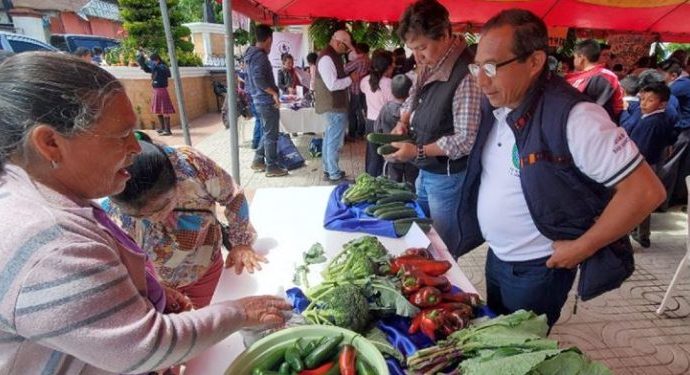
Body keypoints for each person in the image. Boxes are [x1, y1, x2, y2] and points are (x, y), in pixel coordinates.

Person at [0, 52, 291, 374]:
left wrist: (146, 292)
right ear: (50, 143)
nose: (136, 148)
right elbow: (145, 346)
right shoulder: (52, 247)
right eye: (121, 135)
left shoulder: (43, 199)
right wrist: (240, 311)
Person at [457, 9, 666, 327]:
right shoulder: (500, 103)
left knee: (519, 353)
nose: (481, 80)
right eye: (477, 66)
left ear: (535, 62)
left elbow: (646, 191)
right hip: (498, 256)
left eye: (491, 67)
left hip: (538, 268)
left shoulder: (575, 117)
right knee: (495, 335)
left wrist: (583, 247)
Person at [102, 140, 266, 309]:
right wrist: (153, 288)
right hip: (159, 284)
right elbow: (119, 266)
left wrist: (241, 243)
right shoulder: (107, 215)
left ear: (176, 182)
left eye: (162, 206)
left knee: (214, 315)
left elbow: (233, 196)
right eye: (140, 215)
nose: (155, 218)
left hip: (205, 267)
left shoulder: (191, 165)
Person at [385, 0, 481, 253]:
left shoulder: (467, 75)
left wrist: (416, 151)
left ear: (445, 34)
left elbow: (464, 140)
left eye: (422, 47)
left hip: (448, 178)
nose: (417, 56)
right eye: (412, 49)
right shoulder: (431, 62)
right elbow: (413, 96)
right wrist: (402, 120)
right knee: (421, 238)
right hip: (426, 172)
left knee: (442, 249)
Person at [624, 82, 676, 248]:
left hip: (642, 165)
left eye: (650, 100)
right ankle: (641, 234)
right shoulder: (659, 117)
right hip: (649, 164)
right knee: (643, 201)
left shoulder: (651, 122)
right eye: (643, 99)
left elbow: (642, 148)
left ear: (662, 103)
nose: (643, 103)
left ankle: (634, 233)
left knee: (635, 202)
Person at [314, 29, 359, 182]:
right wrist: (351, 79)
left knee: (329, 139)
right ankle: (333, 173)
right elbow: (332, 85)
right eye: (345, 47)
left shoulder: (331, 56)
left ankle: (329, 169)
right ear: (338, 43)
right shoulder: (327, 58)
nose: (346, 50)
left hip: (333, 105)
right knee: (333, 141)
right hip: (334, 105)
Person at [245, 24, 288, 177]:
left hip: (258, 100)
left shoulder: (252, 55)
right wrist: (274, 94)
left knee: (267, 132)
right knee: (271, 135)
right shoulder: (260, 56)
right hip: (265, 101)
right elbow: (258, 80)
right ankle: (272, 166)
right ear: (269, 39)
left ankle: (258, 160)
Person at [375, 74, 418, 186]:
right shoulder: (413, 112)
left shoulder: (385, 109)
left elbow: (377, 128)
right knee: (412, 182)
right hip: (410, 155)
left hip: (391, 154)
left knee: (393, 183)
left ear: (392, 91)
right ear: (410, 92)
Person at [566, 39, 624, 121]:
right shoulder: (609, 76)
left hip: (582, 124)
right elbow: (618, 106)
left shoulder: (605, 76)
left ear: (581, 58)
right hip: (598, 125)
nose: (574, 60)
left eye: (575, 57)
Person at [360, 49, 395, 176]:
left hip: (370, 122)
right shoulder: (390, 84)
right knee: (385, 153)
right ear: (388, 67)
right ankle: (382, 179)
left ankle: (370, 178)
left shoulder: (365, 81)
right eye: (393, 64)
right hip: (385, 123)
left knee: (372, 154)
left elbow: (364, 91)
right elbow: (394, 105)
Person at [136, 50, 175, 136]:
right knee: (158, 110)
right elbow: (147, 69)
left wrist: (149, 61)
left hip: (161, 90)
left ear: (157, 60)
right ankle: (162, 128)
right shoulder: (156, 67)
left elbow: (166, 73)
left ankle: (168, 130)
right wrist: (141, 60)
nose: (152, 62)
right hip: (156, 90)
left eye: (152, 60)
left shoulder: (163, 67)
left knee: (164, 110)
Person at [345, 42, 371, 139]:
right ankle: (361, 132)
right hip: (364, 89)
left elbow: (345, 68)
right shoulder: (369, 60)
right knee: (362, 110)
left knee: (352, 111)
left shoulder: (359, 60)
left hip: (355, 88)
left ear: (359, 50)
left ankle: (352, 133)